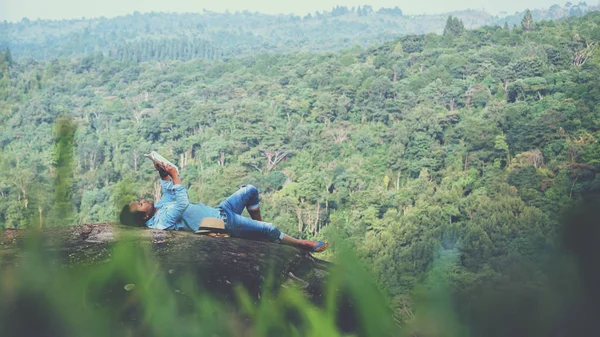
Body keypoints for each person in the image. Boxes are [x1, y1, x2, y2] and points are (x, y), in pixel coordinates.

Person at [120, 162, 329, 253]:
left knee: (250, 190)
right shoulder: (160, 222)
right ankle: (300, 243)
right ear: (145, 217)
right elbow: (182, 202)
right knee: (271, 228)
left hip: (220, 211)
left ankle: (258, 226)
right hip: (223, 224)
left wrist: (162, 171)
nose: (143, 200)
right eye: (140, 204)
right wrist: (176, 176)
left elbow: (168, 191)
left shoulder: (158, 208)